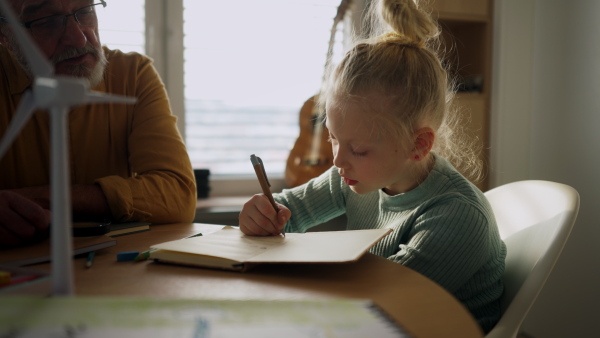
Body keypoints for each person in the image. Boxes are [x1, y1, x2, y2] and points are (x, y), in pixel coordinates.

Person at [239, 0, 506, 333]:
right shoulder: (355, 174)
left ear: (418, 145)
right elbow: (289, 210)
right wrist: (264, 214)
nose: (337, 160)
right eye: (334, 138)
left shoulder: (457, 215)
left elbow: (381, 297)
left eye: (359, 149)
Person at [0, 0, 196, 247]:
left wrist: (40, 199)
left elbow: (177, 195)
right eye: (46, 22)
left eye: (85, 11)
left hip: (113, 270)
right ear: (4, 35)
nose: (79, 38)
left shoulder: (132, 74)